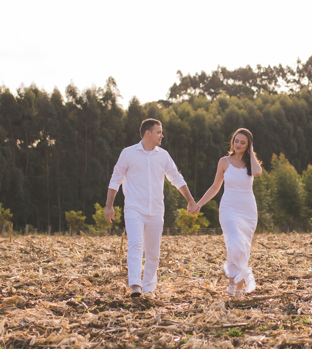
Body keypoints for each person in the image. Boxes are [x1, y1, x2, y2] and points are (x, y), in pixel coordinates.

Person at [106, 118, 198, 298]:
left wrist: (190, 200)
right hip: (134, 209)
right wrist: (109, 206)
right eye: (158, 132)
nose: (161, 135)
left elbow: (176, 178)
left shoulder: (163, 155)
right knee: (135, 244)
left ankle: (148, 288)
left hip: (156, 210)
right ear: (147, 133)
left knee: (153, 251)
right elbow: (116, 178)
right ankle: (135, 285)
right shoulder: (128, 153)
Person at [195, 128, 262, 298]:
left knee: (243, 247)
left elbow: (257, 172)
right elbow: (215, 187)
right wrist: (199, 204)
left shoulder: (250, 163)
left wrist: (251, 151)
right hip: (229, 209)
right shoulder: (224, 162)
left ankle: (236, 285)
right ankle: (236, 281)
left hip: (248, 211)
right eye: (236, 141)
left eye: (243, 142)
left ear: (248, 145)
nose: (238, 144)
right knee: (235, 244)